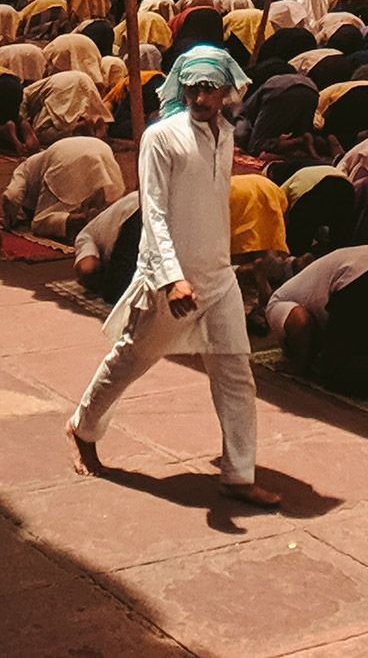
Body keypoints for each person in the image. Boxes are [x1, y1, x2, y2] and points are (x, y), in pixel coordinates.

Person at [66, 45, 280, 505]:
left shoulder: (225, 135)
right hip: (172, 278)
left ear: (226, 90)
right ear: (183, 88)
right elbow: (155, 214)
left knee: (236, 372)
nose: (202, 97)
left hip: (219, 277)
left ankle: (239, 474)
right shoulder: (161, 137)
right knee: (133, 358)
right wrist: (170, 276)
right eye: (194, 87)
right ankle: (82, 427)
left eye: (211, 87)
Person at [265, 246, 368, 404]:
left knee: (334, 371)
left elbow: (301, 322)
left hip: (359, 277)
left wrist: (299, 365)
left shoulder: (276, 303)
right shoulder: (304, 284)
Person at [2, 132, 124, 241]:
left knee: (39, 223)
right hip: (101, 148)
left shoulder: (24, 168)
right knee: (103, 199)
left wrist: (9, 218)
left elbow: (11, 195)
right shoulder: (39, 161)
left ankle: (77, 219)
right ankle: (103, 215)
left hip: (64, 159)